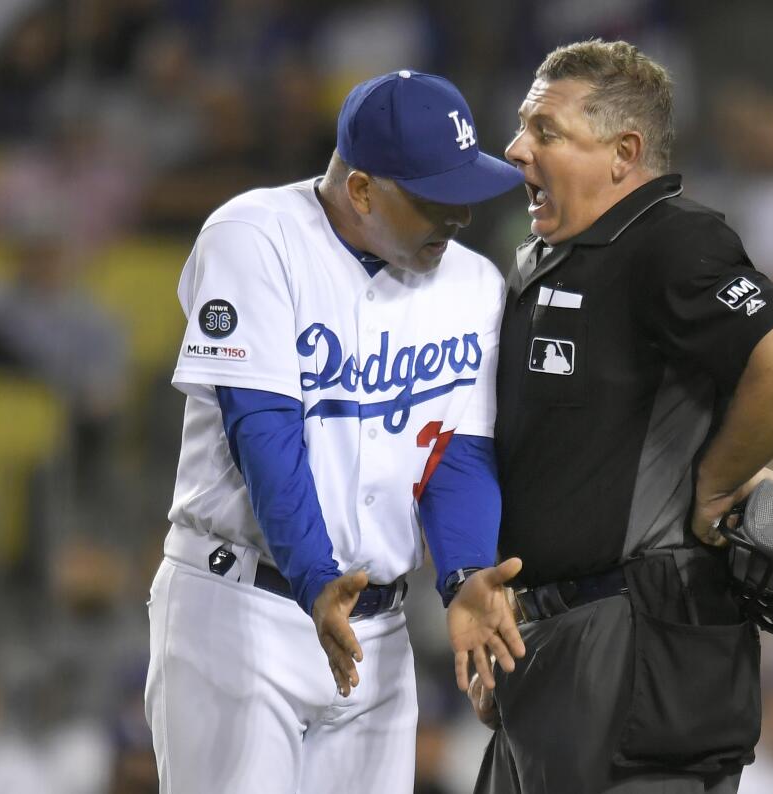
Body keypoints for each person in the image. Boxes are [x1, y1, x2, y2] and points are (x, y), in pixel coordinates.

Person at [145, 70, 527, 794]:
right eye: (436, 199)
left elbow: (456, 451)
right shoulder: (254, 236)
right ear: (361, 191)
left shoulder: (472, 284)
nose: (461, 218)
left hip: (377, 633)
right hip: (242, 608)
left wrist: (465, 573)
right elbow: (262, 429)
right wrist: (316, 577)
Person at [471, 40, 773, 793]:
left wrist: (715, 483)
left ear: (623, 152)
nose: (514, 150)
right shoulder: (543, 256)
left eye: (546, 131)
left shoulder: (671, 238)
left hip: (636, 648)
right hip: (550, 641)